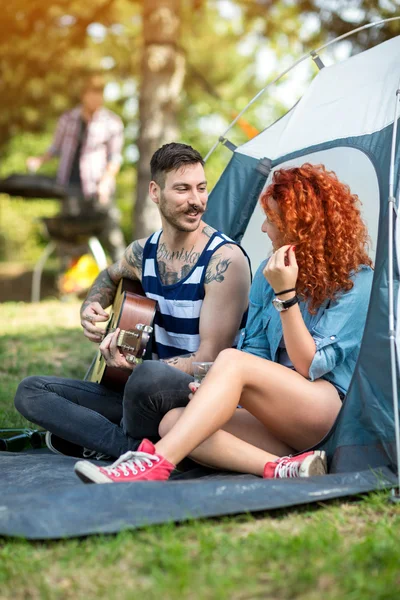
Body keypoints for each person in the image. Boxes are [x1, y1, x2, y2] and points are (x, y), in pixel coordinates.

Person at [72, 163, 374, 484]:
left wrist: (286, 295)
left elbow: (310, 365)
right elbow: (255, 352)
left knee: (230, 361)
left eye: (271, 221)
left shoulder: (357, 283)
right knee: (174, 423)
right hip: (279, 419)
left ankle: (152, 464)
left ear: (301, 227)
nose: (263, 229)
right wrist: (218, 389)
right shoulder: (266, 274)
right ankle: (284, 468)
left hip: (329, 416)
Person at [14, 143, 251, 460]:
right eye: (182, 189)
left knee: (147, 378)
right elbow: (109, 276)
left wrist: (139, 369)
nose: (196, 201)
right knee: (31, 391)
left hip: (196, 397)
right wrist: (91, 307)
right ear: (155, 192)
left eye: (201, 188)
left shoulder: (224, 260)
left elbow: (210, 360)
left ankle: (108, 438)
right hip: (140, 395)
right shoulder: (142, 252)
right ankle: (133, 449)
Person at [26, 73, 126, 262]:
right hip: (69, 187)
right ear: (83, 95)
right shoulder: (67, 119)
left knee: (111, 235)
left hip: (98, 189)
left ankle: (126, 280)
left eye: (100, 93)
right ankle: (70, 284)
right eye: (92, 92)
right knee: (69, 238)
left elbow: (115, 158)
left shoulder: (112, 122)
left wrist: (105, 182)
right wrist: (39, 160)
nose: (96, 97)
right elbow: (55, 148)